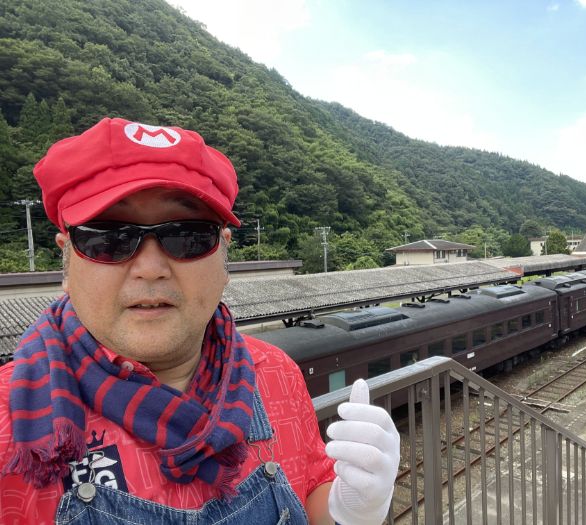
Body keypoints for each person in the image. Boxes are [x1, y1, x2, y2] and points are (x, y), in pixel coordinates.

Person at [0, 118, 400, 524]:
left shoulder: (276, 374)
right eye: (107, 238)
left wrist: (352, 509)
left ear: (224, 256)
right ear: (67, 262)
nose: (151, 268)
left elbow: (310, 490)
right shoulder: (8, 419)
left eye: (187, 236)